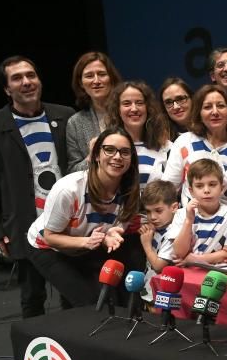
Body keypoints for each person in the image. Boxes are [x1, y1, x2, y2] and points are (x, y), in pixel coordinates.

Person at [0, 55, 75, 317]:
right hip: (24, 226)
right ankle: (36, 355)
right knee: (33, 298)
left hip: (68, 224)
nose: (26, 82)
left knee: (74, 296)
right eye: (17, 78)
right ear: (7, 88)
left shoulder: (65, 116)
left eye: (31, 75)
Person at [26, 127, 144, 307]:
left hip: (87, 244)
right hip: (48, 247)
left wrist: (112, 234)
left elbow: (116, 228)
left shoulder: (130, 193)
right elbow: (50, 237)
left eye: (125, 152)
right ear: (97, 155)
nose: (118, 156)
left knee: (108, 298)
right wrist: (86, 242)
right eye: (109, 150)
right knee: (88, 301)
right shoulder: (69, 189)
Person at [162, 84, 227, 240]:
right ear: (199, 113)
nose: (215, 112)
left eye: (220, 106)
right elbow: (167, 190)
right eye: (207, 107)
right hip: (188, 233)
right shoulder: (183, 143)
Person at [172, 159, 227, 265]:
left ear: (222, 188)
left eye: (212, 184)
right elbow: (179, 253)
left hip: (218, 273)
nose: (206, 190)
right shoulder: (181, 214)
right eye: (199, 186)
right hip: (187, 274)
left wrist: (192, 259)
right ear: (191, 191)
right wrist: (189, 221)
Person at [105, 81, 172, 186]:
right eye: (127, 103)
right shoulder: (106, 148)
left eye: (139, 103)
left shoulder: (167, 147)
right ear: (118, 110)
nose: (134, 109)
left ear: (148, 108)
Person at [66, 51, 122, 170]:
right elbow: (72, 170)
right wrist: (91, 157)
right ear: (81, 83)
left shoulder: (127, 112)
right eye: (89, 76)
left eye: (101, 74)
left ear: (111, 78)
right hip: (95, 187)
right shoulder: (75, 123)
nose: (96, 81)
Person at [139, 179, 181, 274]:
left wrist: (146, 244)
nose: (152, 217)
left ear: (174, 207)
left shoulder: (174, 233)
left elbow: (158, 267)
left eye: (158, 211)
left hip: (164, 285)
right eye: (148, 211)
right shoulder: (159, 226)